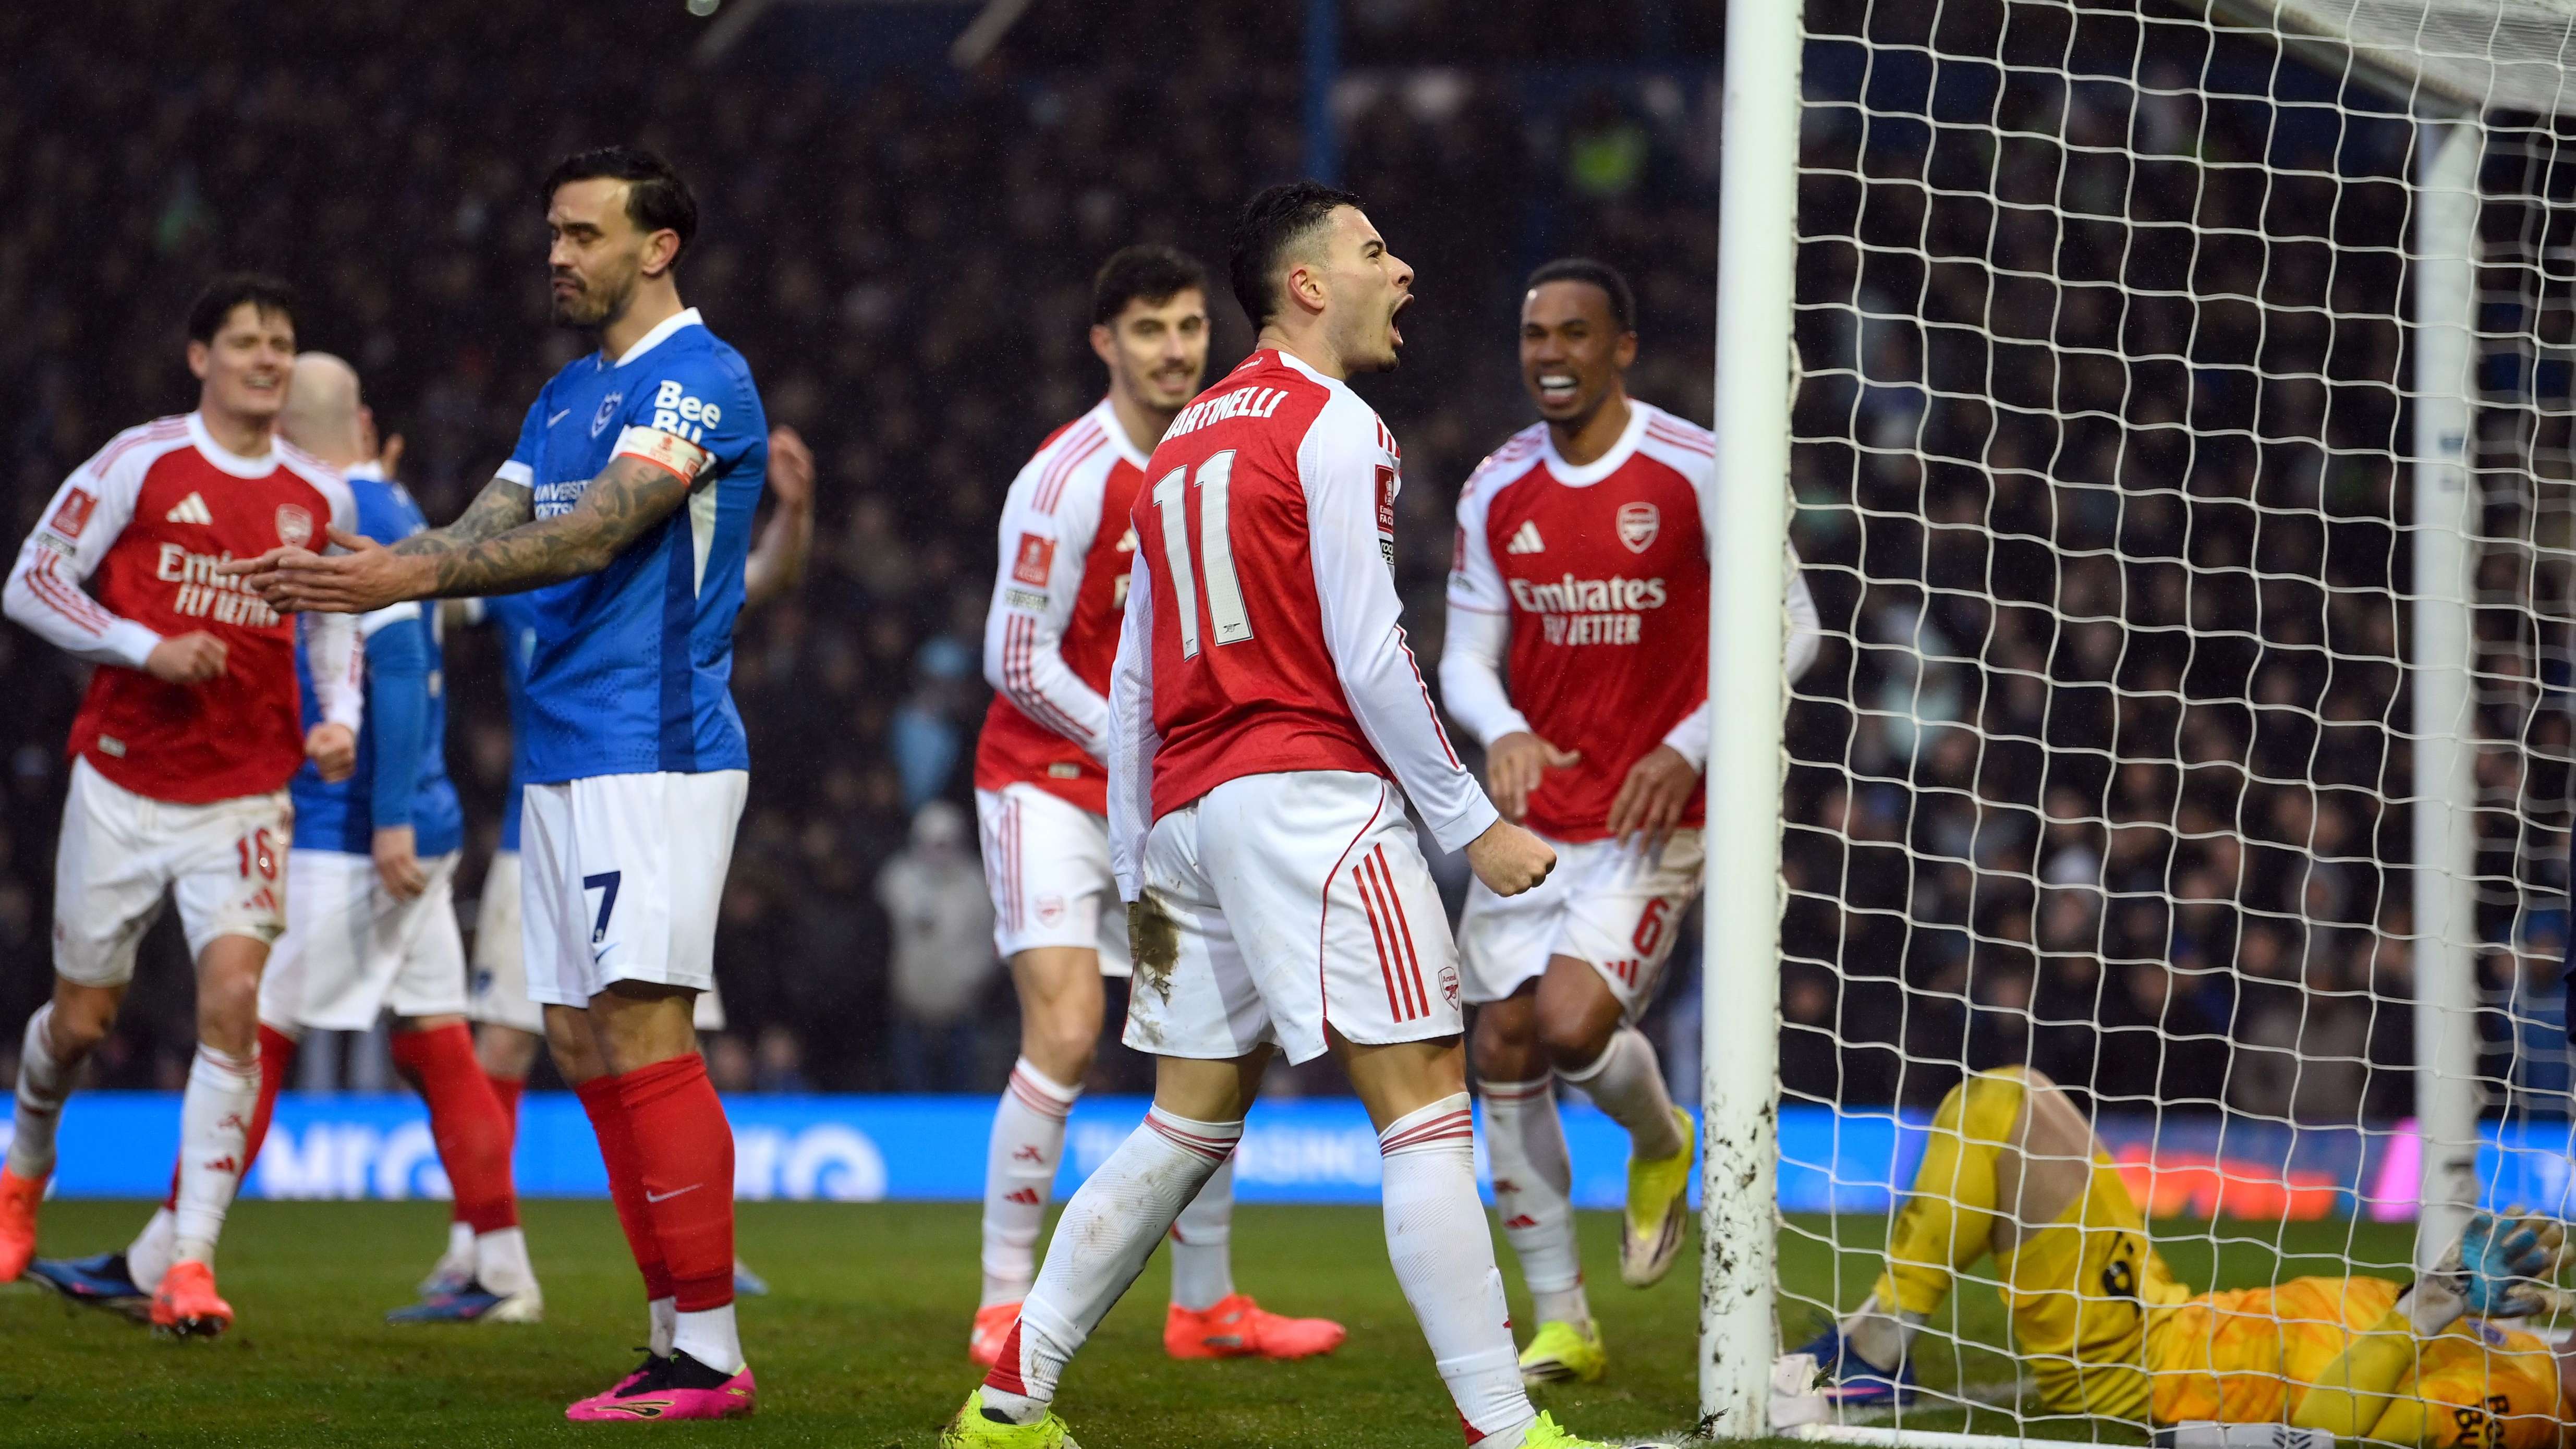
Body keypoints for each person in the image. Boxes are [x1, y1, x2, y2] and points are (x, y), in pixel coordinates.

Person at [942, 181, 1615, 1449]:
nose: (1400, 270)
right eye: (1373, 252)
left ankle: (1006, 1402)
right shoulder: (1336, 424)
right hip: (1308, 798)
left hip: (1188, 816)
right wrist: (1471, 824)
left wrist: (1141, 856)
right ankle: (1503, 1427)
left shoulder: (1183, 438)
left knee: (1181, 1122)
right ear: (1307, 285)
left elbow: (1137, 678)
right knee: (1422, 1102)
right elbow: (1369, 657)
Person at [233, 147, 766, 1422]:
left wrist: (402, 580)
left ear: (657, 247)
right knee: (581, 1035)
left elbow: (599, 528)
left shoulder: (702, 378)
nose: (555, 256)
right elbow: (484, 527)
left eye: (581, 234)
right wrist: (370, 564)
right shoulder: (565, 396)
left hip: (656, 744)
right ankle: (668, 1331)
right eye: (551, 233)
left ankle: (708, 1352)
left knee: (645, 1027)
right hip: (567, 753)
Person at [27, 355, 543, 1327]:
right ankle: (504, 1263)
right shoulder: (384, 501)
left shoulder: (339, 510)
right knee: (435, 1039)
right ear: (364, 419)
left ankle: (163, 1250)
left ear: (291, 428)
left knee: (248, 1027)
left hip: (355, 830)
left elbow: (393, 666)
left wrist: (385, 810)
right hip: (408, 818)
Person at [1439, 258, 1821, 1384]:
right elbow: (1463, 657)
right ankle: (1565, 1321)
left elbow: (1793, 627)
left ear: (1622, 349)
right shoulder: (1494, 488)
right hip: (1534, 816)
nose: (1548, 354)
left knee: (1565, 1025)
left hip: (1659, 816)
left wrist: (1689, 743)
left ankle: (1661, 1145)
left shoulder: (1698, 468)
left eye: (1572, 334)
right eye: (1532, 335)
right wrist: (1501, 725)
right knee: (1498, 1045)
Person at [966, 242, 1344, 1367]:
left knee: (1220, 1042)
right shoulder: (1066, 475)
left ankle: (1206, 1303)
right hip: (1046, 785)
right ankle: (1000, 1297)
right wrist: (1134, 745)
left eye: (1188, 326)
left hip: (1171, 793)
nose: (1175, 349)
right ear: (1104, 344)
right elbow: (1015, 654)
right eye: (1148, 330)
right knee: (1070, 1030)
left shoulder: (1218, 452)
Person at [0, 276, 362, 1336]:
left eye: (282, 343)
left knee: (233, 1004)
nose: (267, 359)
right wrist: (142, 646)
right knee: (81, 1024)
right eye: (246, 341)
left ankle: (190, 1265)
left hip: (247, 792)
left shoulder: (319, 496)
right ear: (198, 356)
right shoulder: (140, 461)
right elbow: (31, 579)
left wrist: (336, 714)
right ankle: (25, 1170)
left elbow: (334, 627)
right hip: (120, 779)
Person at [427, 412, 810, 1305]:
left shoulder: (664, 569)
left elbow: (767, 577)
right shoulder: (522, 572)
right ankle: (476, 1245)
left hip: (644, 805)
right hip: (541, 827)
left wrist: (797, 511)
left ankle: (701, 1254)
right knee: (521, 1039)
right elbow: (436, 587)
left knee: (664, 1033)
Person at [1797, 1066, 2576, 1447]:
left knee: (2004, 1107)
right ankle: (1877, 1337)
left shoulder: (2531, 1411)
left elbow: (2327, 1426)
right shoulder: (2539, 1350)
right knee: (2017, 1094)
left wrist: (2431, 1301)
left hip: (2140, 1365)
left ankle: (1874, 1353)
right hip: (2173, 1314)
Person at [880, 800, 999, 1092]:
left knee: (961, 1089)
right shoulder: (896, 880)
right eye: (930, 843)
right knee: (911, 1090)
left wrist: (969, 982)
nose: (937, 853)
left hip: (961, 1013)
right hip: (908, 1013)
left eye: (945, 844)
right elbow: (880, 941)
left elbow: (989, 943)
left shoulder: (977, 885)